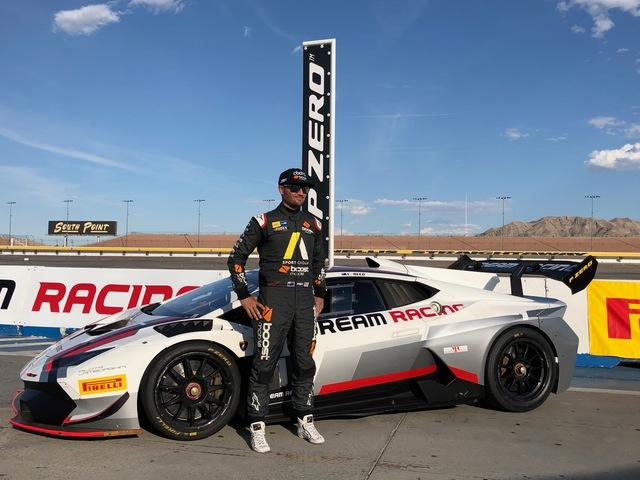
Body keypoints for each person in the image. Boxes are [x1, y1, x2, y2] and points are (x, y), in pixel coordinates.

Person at [227, 168, 327, 453]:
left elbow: (318, 264)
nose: (301, 192)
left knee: (304, 362)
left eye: (305, 188)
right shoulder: (263, 221)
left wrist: (320, 294)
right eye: (295, 187)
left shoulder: (313, 223)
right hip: (273, 300)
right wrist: (244, 296)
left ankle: (304, 418)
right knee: (264, 365)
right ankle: (257, 425)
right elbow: (236, 259)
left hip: (304, 301)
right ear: (281, 189)